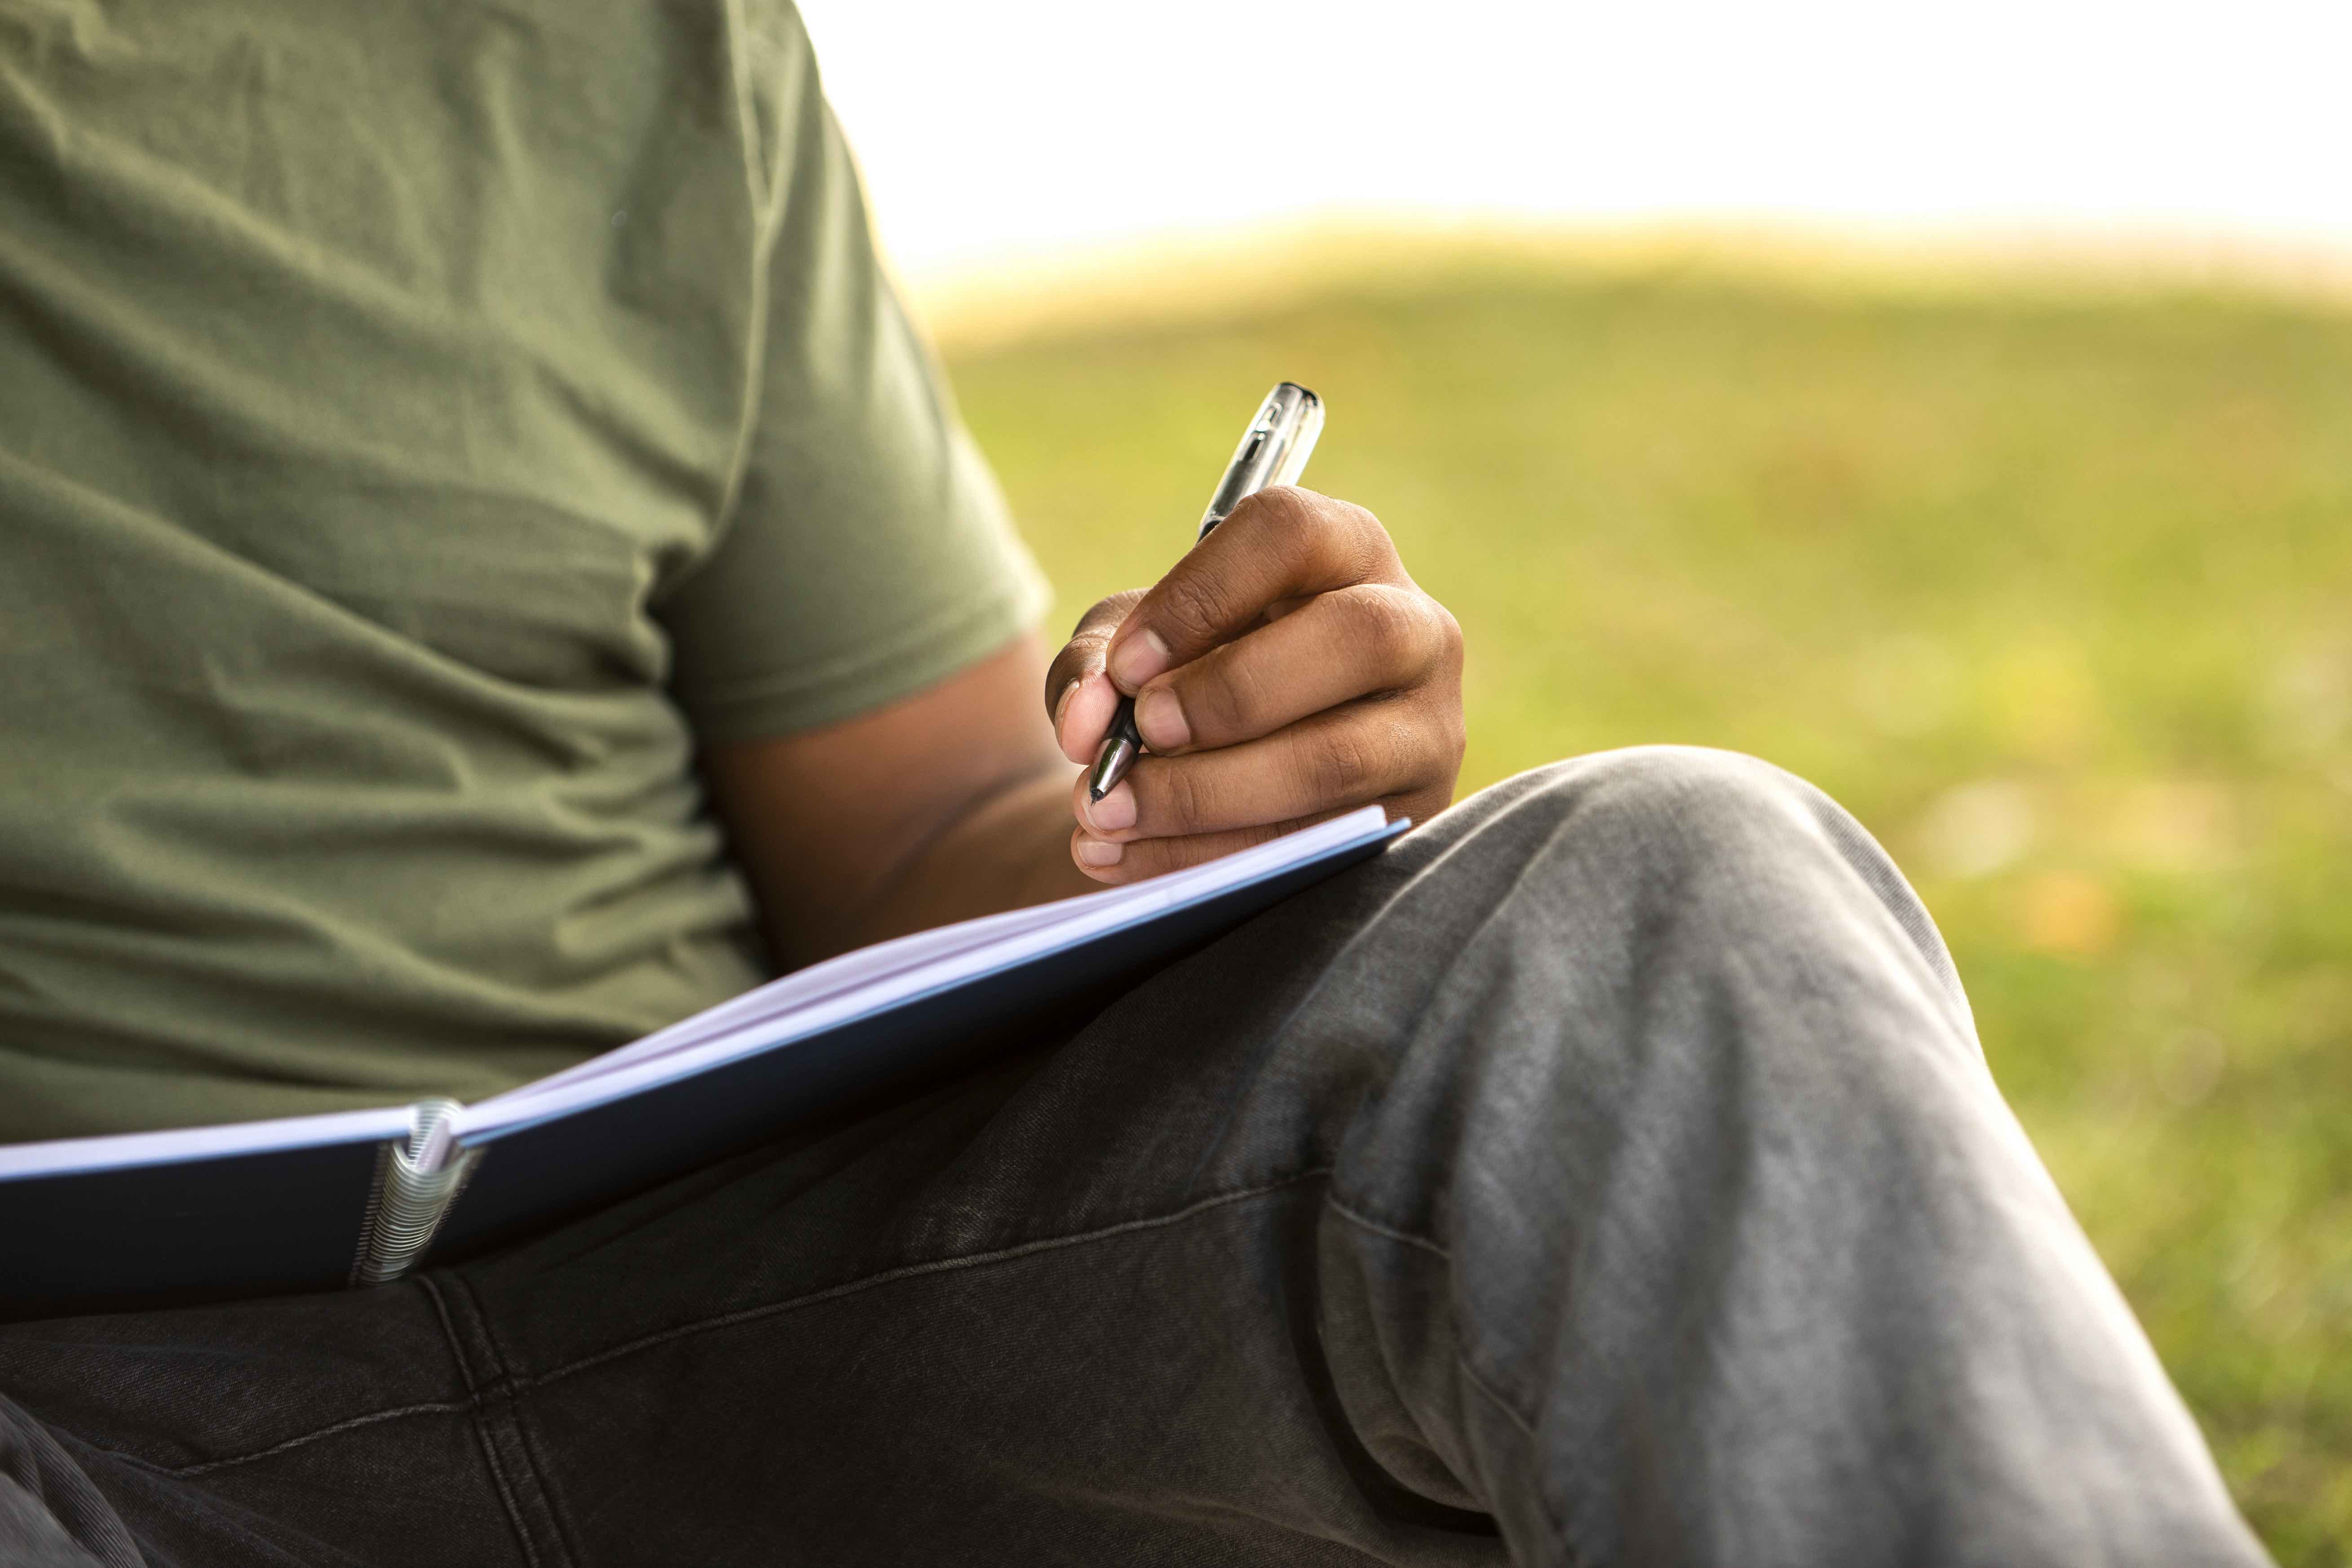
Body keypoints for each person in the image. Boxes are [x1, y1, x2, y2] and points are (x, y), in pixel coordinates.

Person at [0, 4, 2272, 1565]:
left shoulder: (634, 56)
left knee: (1661, 888)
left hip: (761, 1307)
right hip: (77, 1427)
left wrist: (1187, 799)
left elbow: (903, 828)